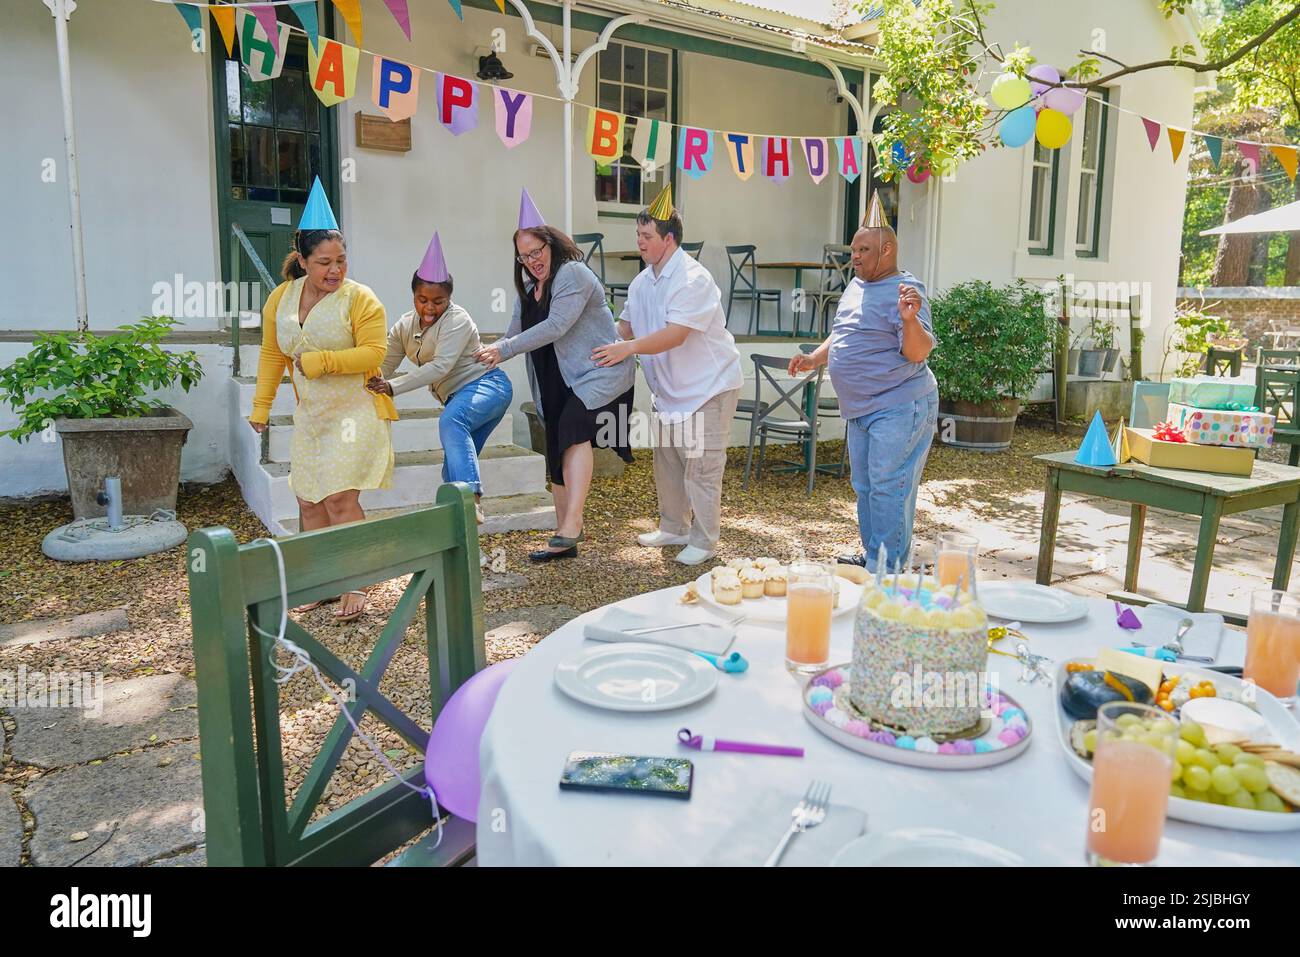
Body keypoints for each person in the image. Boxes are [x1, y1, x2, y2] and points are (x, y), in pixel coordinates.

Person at [248, 177, 395, 621]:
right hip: (312, 416)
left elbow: (376, 353)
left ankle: (354, 580)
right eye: (324, 263)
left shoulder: (360, 299)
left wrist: (323, 361)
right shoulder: (282, 297)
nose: (335, 271)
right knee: (308, 499)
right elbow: (273, 352)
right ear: (304, 261)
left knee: (338, 501)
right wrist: (261, 406)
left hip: (355, 413)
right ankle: (320, 581)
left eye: (341, 261)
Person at [474, 189, 635, 562]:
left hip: (596, 372)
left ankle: (573, 523)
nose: (532, 261)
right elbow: (512, 333)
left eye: (537, 251)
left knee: (575, 428)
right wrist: (482, 353)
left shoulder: (573, 274)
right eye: (524, 256)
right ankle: (564, 538)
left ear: (551, 244)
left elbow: (556, 326)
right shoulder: (528, 288)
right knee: (556, 451)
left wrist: (504, 350)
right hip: (553, 380)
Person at [592, 185, 742, 566]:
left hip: (710, 386)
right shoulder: (642, 282)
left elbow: (676, 334)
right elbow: (623, 327)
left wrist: (627, 349)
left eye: (646, 236)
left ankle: (705, 541)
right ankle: (674, 527)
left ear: (668, 239)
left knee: (701, 468)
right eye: (638, 236)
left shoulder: (694, 279)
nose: (639, 243)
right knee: (669, 463)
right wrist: (593, 340)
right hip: (671, 391)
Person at [789, 192, 938, 573]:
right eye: (854, 249)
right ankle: (876, 557)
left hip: (899, 404)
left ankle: (888, 570)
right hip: (861, 408)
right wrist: (814, 358)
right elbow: (844, 334)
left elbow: (919, 352)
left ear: (887, 250)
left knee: (890, 486)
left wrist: (908, 320)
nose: (854, 256)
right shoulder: (857, 285)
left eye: (863, 249)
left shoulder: (907, 290)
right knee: (867, 486)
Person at [366, 231, 512, 556]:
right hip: (458, 398)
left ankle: (470, 500)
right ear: (413, 296)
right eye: (423, 299)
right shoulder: (404, 326)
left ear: (449, 299)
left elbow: (441, 368)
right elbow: (382, 366)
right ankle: (464, 546)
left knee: (451, 422)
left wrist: (393, 388)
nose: (430, 307)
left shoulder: (458, 319)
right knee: (451, 469)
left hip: (488, 387)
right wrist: (362, 383)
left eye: (438, 301)